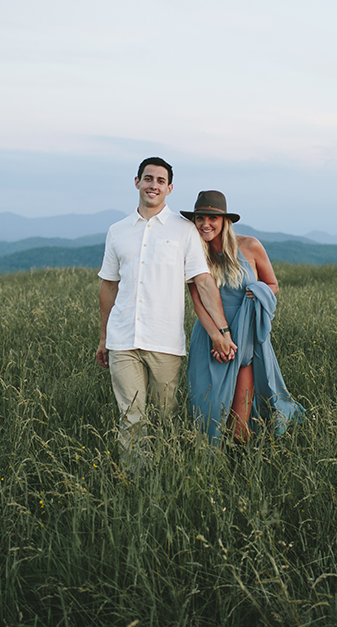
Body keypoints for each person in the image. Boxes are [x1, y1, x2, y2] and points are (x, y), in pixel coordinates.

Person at [96, 158, 237, 458]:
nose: (153, 185)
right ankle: (133, 482)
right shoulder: (117, 231)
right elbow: (108, 286)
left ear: (169, 188)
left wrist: (222, 330)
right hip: (123, 339)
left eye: (160, 181)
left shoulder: (185, 230)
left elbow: (203, 282)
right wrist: (103, 338)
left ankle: (163, 475)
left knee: (164, 419)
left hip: (165, 342)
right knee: (131, 417)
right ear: (137, 182)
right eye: (148, 179)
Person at [182, 190, 305, 446]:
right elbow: (198, 302)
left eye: (212, 218)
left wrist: (256, 293)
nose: (205, 224)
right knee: (209, 410)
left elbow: (272, 284)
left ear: (225, 221)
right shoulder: (193, 253)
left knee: (240, 421)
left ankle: (242, 466)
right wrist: (217, 337)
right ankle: (207, 463)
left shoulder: (250, 246)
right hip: (209, 336)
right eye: (200, 218)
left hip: (247, 337)